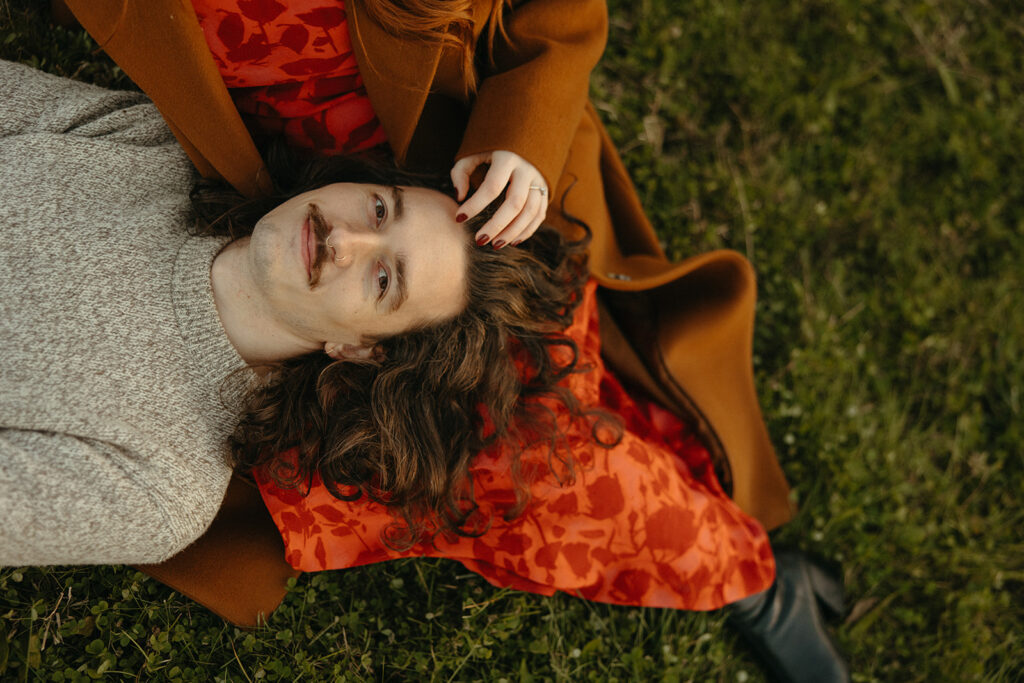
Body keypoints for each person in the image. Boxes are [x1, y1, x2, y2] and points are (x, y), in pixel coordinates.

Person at [52, 2, 849, 680]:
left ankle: (746, 571)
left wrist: (522, 131)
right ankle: (752, 575)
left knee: (537, 391)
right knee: (484, 454)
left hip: (468, 186)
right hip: (294, 225)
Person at [0, 58, 571, 567]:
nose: (343, 238)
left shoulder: (159, 484)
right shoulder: (151, 145)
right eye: (378, 209)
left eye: (383, 279)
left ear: (362, 349)